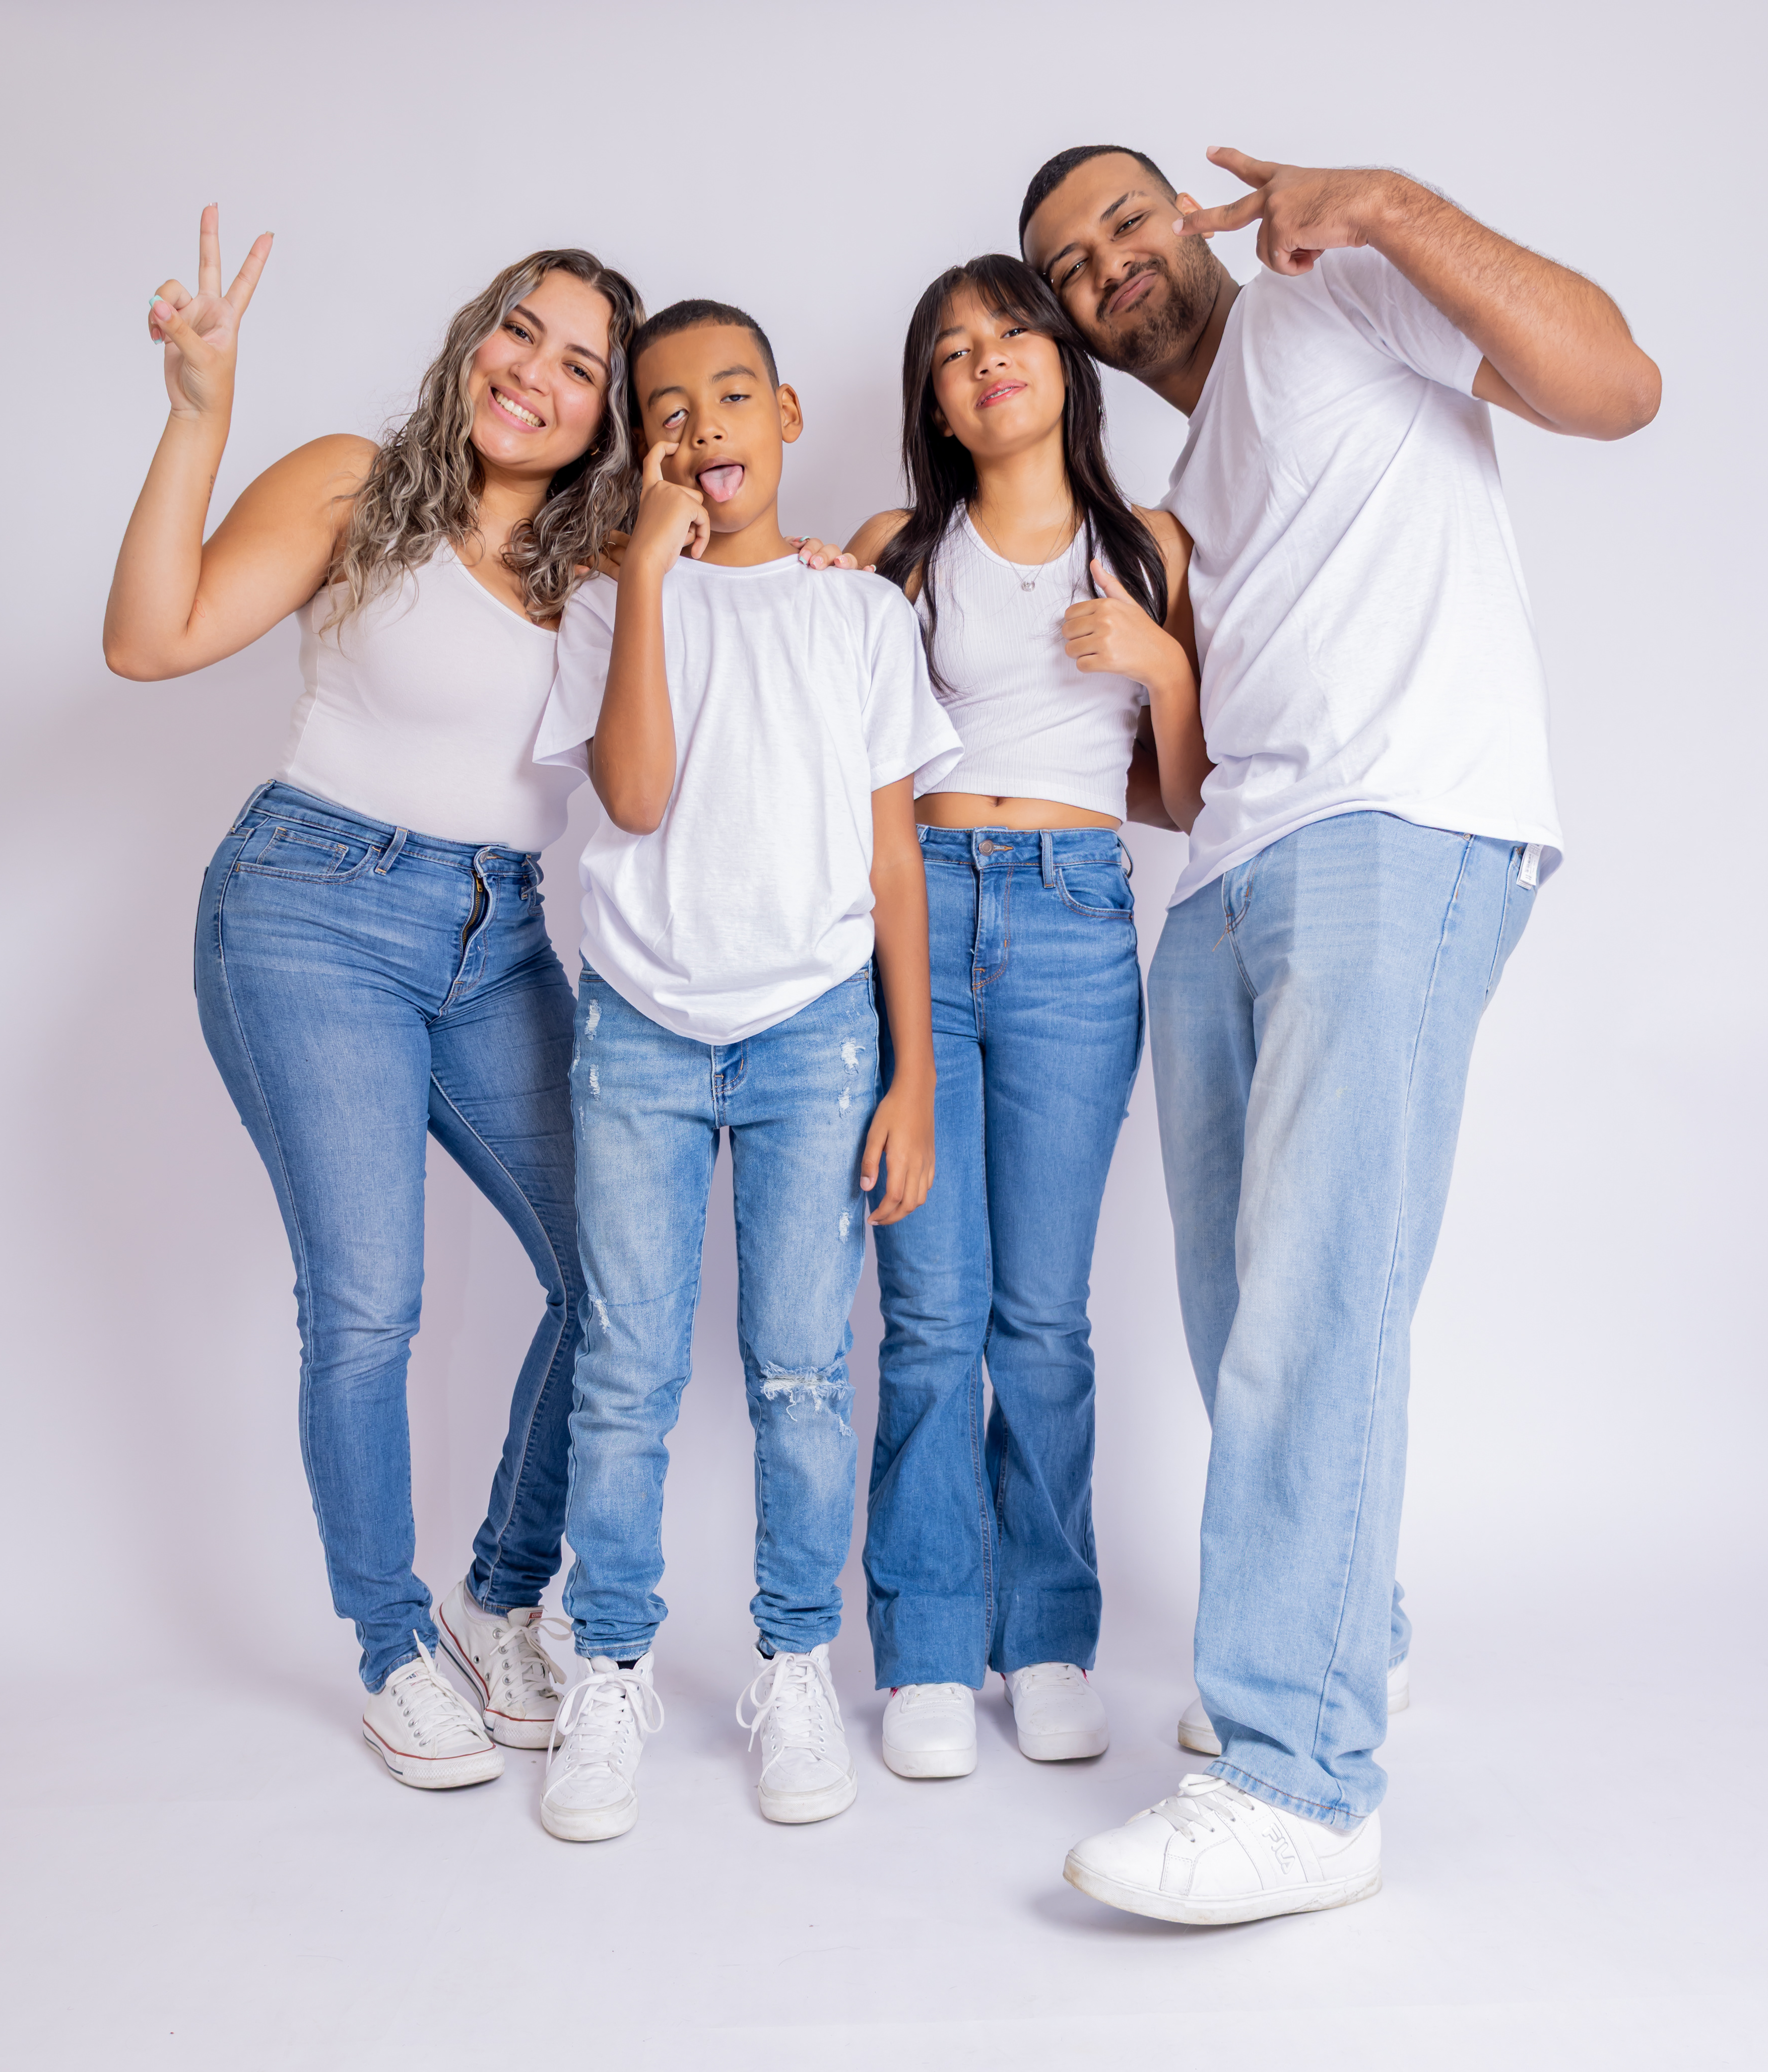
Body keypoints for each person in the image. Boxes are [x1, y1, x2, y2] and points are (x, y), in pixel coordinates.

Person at [1018, 145, 1660, 1921]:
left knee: (1316, 1290)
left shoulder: (1339, 303)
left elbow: (1617, 384)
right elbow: (1188, 777)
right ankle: (1344, 1635)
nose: (1107, 266)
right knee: (1244, 1310)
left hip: (1395, 827)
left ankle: (1299, 1780)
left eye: (1126, 220)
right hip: (1231, 872)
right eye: (1069, 267)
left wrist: (1383, 203)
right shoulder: (1178, 493)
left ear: (1194, 217)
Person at [104, 209, 644, 1789]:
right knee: (368, 1302)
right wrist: (200, 410)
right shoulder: (358, 484)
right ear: (476, 337)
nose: (535, 373)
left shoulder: (604, 570)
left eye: (581, 365)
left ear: (607, 415)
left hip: (503, 938)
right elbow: (149, 639)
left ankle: (498, 1594)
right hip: (311, 910)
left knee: (619, 1274)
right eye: (520, 330)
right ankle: (393, 1645)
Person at [531, 298, 961, 1841]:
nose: (703, 424)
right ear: (640, 443)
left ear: (784, 414)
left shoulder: (859, 616)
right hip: (642, 1026)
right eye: (668, 406)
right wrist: (650, 568)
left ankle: (794, 1661)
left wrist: (913, 1073)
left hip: (815, 1030)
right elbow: (638, 797)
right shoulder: (610, 605)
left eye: (730, 395)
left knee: (800, 1368)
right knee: (626, 1371)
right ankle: (610, 1664)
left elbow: (893, 863)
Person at [840, 255, 1207, 1782]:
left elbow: (1186, 794)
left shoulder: (1150, 545)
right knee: (931, 1312)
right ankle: (929, 1644)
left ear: (1064, 360)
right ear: (935, 401)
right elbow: (841, 759)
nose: (987, 358)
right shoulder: (896, 550)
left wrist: (1163, 665)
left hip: (1074, 918)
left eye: (1011, 332)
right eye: (953, 350)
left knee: (1042, 1318)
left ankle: (1047, 1636)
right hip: (919, 911)